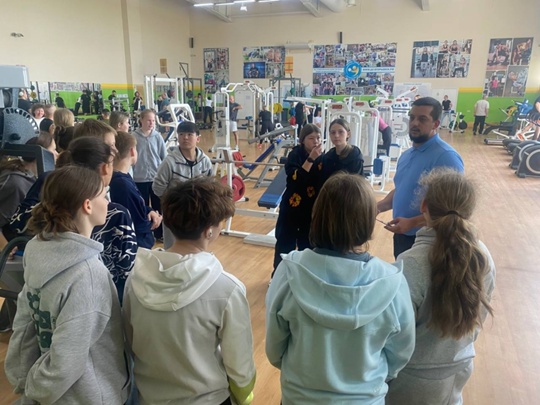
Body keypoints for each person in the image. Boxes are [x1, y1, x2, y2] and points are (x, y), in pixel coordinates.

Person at [266, 172, 415, 404]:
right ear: (368, 222)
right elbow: (400, 354)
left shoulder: (289, 271)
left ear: (317, 216)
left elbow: (274, 349)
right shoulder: (392, 282)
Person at [123, 177, 256, 405]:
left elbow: (130, 342)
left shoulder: (135, 278)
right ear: (209, 231)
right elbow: (240, 365)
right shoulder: (227, 288)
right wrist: (244, 397)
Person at [5, 166, 129, 404]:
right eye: (104, 195)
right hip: (88, 396)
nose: (107, 202)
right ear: (87, 205)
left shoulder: (37, 252)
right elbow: (67, 361)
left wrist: (25, 383)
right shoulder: (88, 274)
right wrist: (37, 391)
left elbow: (24, 327)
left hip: (52, 392)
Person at [386, 168, 495, 405]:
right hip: (460, 371)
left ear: (423, 205)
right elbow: (477, 321)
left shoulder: (410, 264)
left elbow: (395, 337)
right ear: (469, 210)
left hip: (411, 382)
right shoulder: (484, 257)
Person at [377, 97, 464, 259]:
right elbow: (403, 189)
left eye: (422, 119)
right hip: (402, 235)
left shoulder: (446, 157)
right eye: (412, 118)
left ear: (436, 124)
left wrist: (412, 222)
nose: (414, 123)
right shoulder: (406, 155)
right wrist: (378, 207)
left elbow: (453, 211)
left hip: (429, 242)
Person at [272, 124, 324, 275]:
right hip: (292, 205)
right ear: (303, 140)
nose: (315, 141)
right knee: (285, 242)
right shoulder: (295, 155)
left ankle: (304, 276)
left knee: (307, 244)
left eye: (318, 138)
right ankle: (278, 275)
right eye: (311, 138)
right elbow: (296, 179)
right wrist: (311, 158)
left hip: (310, 206)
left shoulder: (323, 157)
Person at [153, 121, 212, 249]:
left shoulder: (205, 161)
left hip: (197, 211)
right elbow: (157, 187)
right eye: (181, 134)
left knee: (195, 248)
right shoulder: (169, 162)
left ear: (197, 138)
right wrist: (173, 203)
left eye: (189, 134)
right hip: (175, 212)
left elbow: (209, 185)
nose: (185, 137)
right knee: (173, 248)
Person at [110, 131, 162, 249]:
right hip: (136, 245)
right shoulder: (122, 184)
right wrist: (154, 221)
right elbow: (136, 222)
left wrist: (149, 211)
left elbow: (138, 205)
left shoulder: (124, 177)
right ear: (133, 151)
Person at [132, 109, 166, 241]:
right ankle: (145, 234)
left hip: (155, 179)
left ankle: (159, 234)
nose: (151, 123)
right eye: (148, 120)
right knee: (142, 207)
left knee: (158, 207)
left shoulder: (157, 137)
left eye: (153, 121)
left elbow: (164, 157)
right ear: (141, 120)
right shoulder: (134, 137)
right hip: (139, 179)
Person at [320, 118, 364, 183]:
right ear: (329, 135)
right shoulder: (328, 156)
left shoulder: (355, 155)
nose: (336, 135)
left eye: (341, 132)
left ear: (348, 134)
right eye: (333, 132)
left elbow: (357, 182)